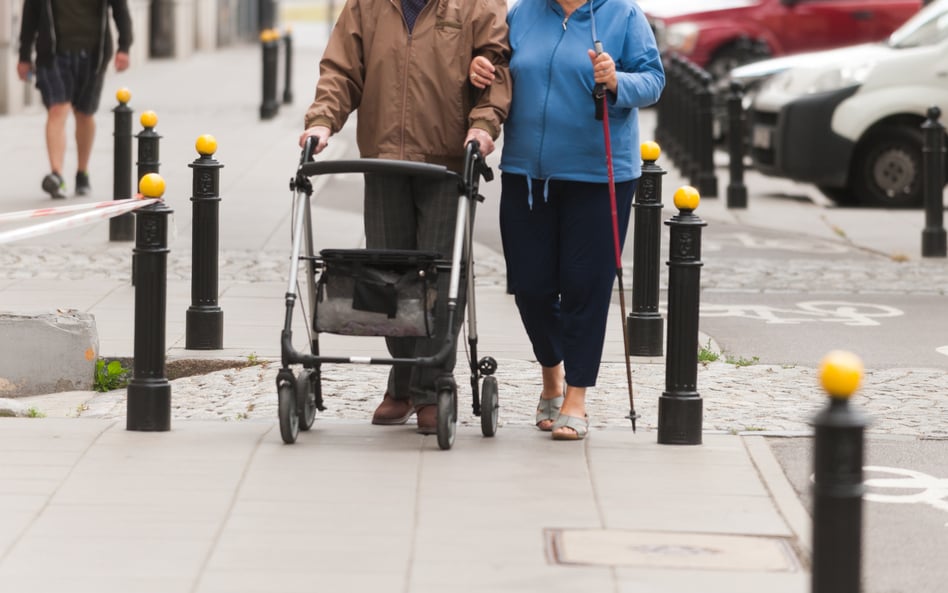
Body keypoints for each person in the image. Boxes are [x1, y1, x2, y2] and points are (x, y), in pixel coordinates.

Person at [299, 0, 511, 434]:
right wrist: (323, 121)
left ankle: (432, 388)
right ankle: (402, 379)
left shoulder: (477, 4)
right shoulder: (367, 5)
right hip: (383, 162)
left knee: (439, 276)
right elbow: (341, 70)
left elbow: (497, 68)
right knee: (387, 276)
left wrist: (483, 127)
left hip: (447, 164)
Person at [469, 0, 664, 440]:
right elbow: (499, 68)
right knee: (531, 286)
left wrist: (617, 80)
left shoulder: (623, 15)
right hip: (525, 173)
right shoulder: (523, 13)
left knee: (585, 285)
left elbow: (653, 81)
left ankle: (575, 396)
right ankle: (551, 372)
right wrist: (480, 68)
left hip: (599, 175)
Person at [17, 0, 133, 200]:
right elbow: (30, 13)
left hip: (93, 54)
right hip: (53, 54)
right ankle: (57, 174)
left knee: (84, 113)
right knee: (57, 109)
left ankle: (82, 173)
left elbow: (120, 9)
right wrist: (24, 55)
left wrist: (124, 47)